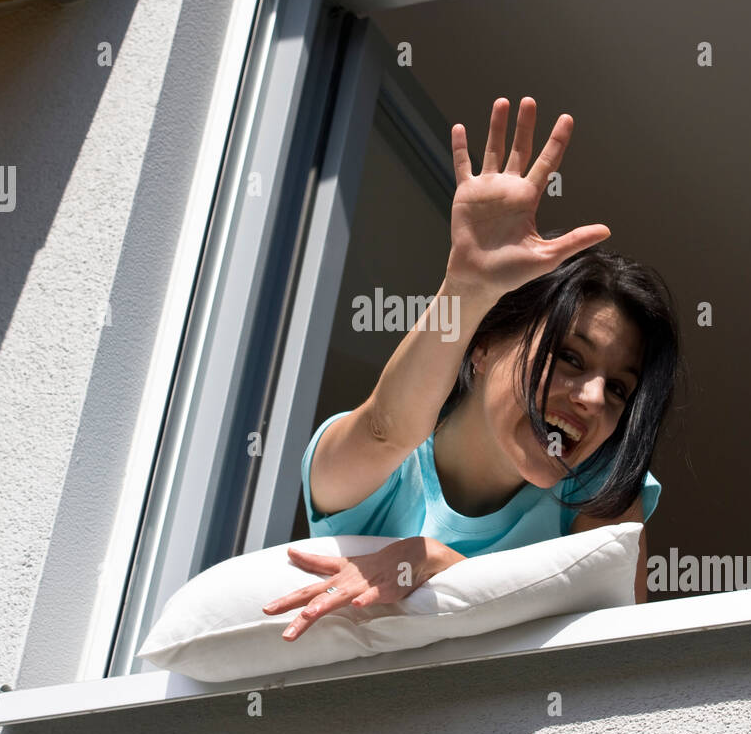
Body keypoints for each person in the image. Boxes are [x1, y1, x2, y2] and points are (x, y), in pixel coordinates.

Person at [263, 97, 681, 640]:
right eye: (571, 357)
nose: (596, 398)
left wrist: (441, 565)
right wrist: (465, 290)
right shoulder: (376, 474)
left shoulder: (598, 487)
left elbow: (607, 653)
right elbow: (386, 426)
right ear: (480, 347)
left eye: (621, 388)